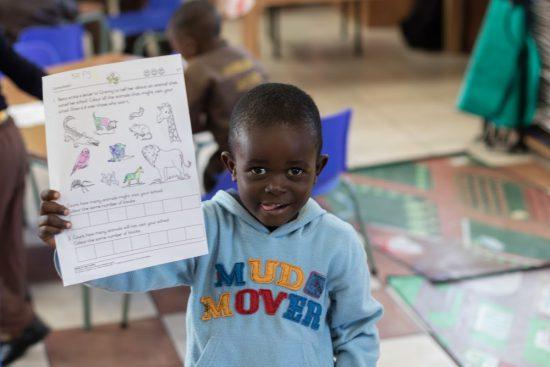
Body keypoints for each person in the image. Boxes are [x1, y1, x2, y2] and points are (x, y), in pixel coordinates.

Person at [39, 83, 383, 366]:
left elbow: (357, 331)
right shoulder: (204, 227)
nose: (275, 185)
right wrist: (71, 244)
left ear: (318, 168)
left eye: (295, 171)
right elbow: (132, 269)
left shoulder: (339, 242)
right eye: (258, 170)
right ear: (231, 166)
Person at [167, 0, 268, 193]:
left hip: (245, 163)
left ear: (188, 44)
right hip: (275, 149)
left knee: (207, 171)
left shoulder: (198, 70)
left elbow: (184, 125)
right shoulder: (243, 53)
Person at [0, 32, 50, 366]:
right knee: (7, 242)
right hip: (8, 138)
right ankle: (12, 326)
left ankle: (21, 323)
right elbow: (27, 74)